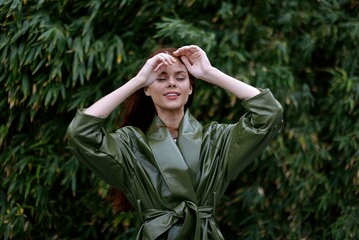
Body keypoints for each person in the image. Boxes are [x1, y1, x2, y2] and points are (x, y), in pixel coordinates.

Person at [67, 45, 283, 239]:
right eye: (161, 78)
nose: (171, 83)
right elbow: (80, 133)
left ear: (190, 88)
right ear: (147, 90)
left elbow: (269, 114)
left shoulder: (216, 141)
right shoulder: (130, 144)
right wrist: (137, 81)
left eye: (180, 77)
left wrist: (210, 73)